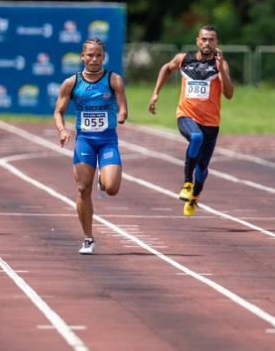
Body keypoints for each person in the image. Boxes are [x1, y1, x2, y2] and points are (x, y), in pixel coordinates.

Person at [148, 25, 233, 216]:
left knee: (203, 168)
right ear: (197, 41)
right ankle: (187, 183)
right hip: (186, 116)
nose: (207, 43)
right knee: (195, 137)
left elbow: (229, 94)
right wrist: (155, 93)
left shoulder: (220, 65)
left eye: (211, 39)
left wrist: (221, 70)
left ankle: (194, 196)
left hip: (211, 123)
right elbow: (166, 68)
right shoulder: (183, 59)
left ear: (216, 43)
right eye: (204, 39)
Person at [54, 38, 128, 254]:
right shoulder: (71, 83)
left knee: (112, 188)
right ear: (82, 56)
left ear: (103, 57)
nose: (94, 59)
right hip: (85, 141)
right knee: (82, 188)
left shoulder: (114, 80)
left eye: (98, 55)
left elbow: (123, 108)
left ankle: (103, 181)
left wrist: (121, 116)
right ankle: (88, 238)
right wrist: (62, 130)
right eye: (90, 55)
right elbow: (58, 111)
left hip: (107, 142)